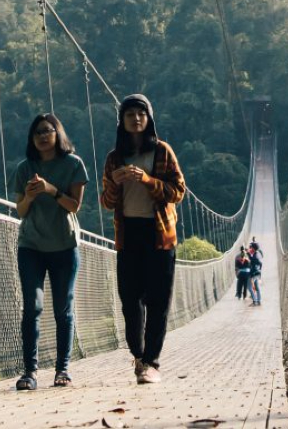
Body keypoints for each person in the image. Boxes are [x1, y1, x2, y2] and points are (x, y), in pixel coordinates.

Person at [101, 94, 185, 384]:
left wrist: (147, 180)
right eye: (129, 115)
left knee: (158, 302)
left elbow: (178, 191)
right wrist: (116, 181)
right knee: (129, 300)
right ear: (121, 121)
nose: (136, 119)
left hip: (159, 234)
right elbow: (107, 202)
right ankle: (137, 355)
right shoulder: (114, 158)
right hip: (129, 235)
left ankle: (152, 362)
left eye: (141, 114)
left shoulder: (162, 151)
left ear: (149, 119)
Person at [13, 114, 89, 390]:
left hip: (64, 245)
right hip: (31, 245)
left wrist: (50, 189)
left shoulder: (73, 164)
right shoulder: (25, 168)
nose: (43, 136)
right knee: (32, 307)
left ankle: (62, 370)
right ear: (32, 139)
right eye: (37, 133)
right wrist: (31, 195)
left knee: (62, 309)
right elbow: (21, 210)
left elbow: (73, 206)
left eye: (48, 131)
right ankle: (30, 373)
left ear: (58, 133)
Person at [248, 241, 263, 306]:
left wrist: (248, 255)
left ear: (253, 248)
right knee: (256, 287)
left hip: (253, 274)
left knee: (249, 287)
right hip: (257, 273)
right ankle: (258, 301)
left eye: (251, 247)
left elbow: (253, 261)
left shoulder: (255, 256)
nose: (250, 248)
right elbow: (260, 263)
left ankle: (255, 301)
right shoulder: (257, 254)